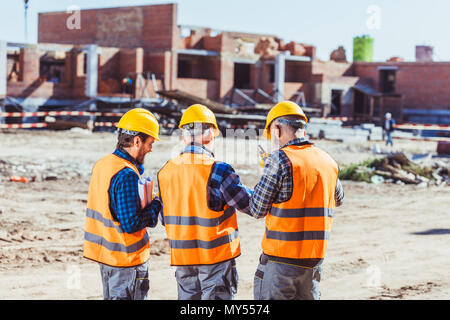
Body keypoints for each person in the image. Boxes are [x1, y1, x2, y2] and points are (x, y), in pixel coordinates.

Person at [248, 101, 344, 300]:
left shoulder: (279, 160)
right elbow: (338, 198)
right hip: (313, 261)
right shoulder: (327, 160)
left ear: (276, 129)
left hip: (282, 261)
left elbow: (257, 208)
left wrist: (266, 171)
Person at [157, 104, 252, 300]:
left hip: (183, 258)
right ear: (210, 134)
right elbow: (249, 204)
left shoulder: (166, 171)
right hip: (215, 258)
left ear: (184, 135)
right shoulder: (218, 169)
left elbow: (164, 218)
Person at [83, 108, 162, 300]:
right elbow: (132, 223)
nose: (151, 149)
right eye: (150, 143)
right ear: (137, 141)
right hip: (127, 262)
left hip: (107, 258)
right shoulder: (126, 174)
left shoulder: (103, 164)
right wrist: (156, 204)